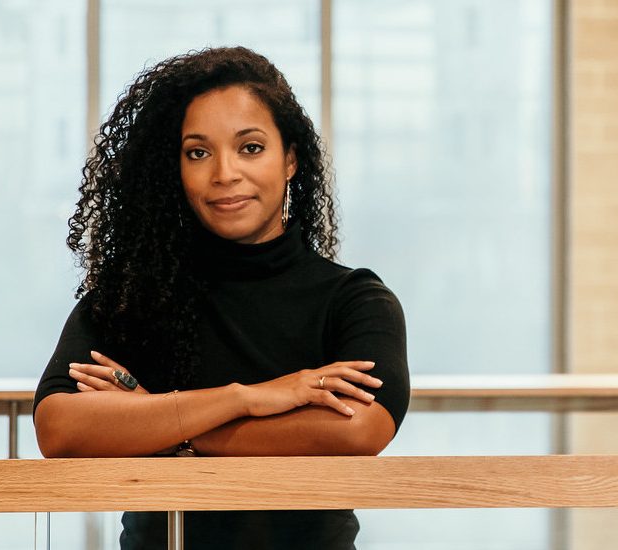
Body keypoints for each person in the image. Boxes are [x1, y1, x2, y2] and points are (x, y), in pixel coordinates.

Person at [33, 46, 410, 549]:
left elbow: (358, 430)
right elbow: (59, 428)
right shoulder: (134, 296)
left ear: (291, 159)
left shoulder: (353, 299)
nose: (225, 173)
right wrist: (248, 398)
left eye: (250, 147)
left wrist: (165, 426)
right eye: (198, 152)